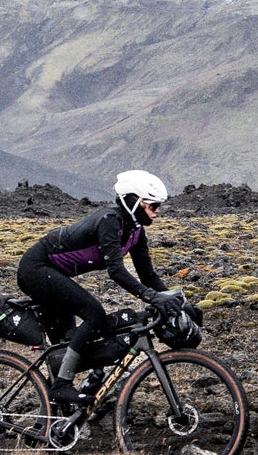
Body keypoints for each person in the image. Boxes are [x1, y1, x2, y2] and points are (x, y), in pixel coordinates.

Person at [17, 169, 183, 403]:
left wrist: (174, 300)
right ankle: (62, 385)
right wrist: (151, 297)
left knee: (65, 345)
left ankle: (53, 422)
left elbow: (148, 275)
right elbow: (115, 270)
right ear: (134, 202)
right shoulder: (111, 220)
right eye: (153, 206)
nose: (157, 212)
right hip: (36, 268)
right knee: (94, 314)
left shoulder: (135, 232)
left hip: (54, 273)